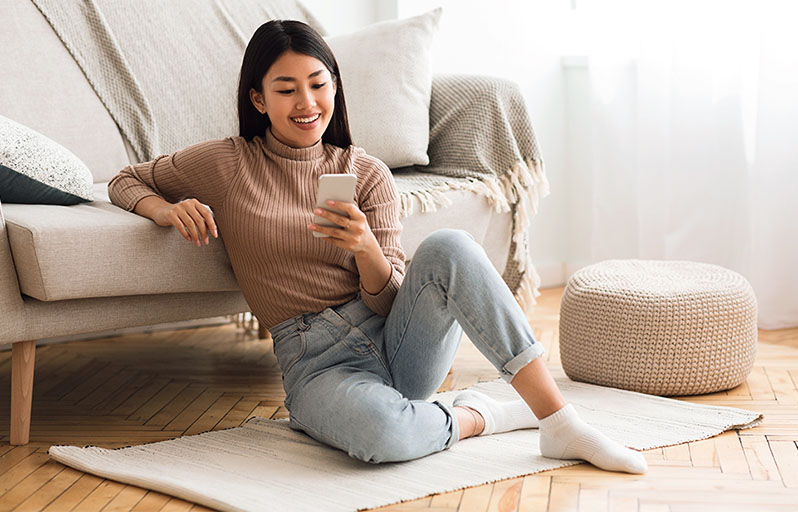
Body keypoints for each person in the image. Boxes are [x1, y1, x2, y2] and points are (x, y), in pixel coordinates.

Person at [107, 19, 647, 474]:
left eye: (318, 84)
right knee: (385, 436)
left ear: (336, 87)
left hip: (395, 338)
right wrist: (166, 208)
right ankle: (483, 414)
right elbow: (126, 180)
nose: (306, 102)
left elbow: (389, 301)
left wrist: (366, 247)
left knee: (451, 246)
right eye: (286, 88)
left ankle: (559, 421)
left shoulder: (365, 173)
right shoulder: (228, 164)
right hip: (315, 364)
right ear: (258, 98)